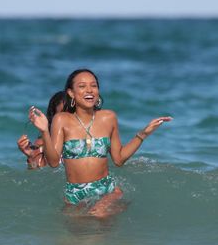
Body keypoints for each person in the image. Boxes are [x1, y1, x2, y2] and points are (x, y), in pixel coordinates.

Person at [29, 69, 172, 217]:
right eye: (82, 86)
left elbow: (119, 159)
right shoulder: (61, 120)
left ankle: (116, 206)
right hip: (74, 193)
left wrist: (144, 133)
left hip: (107, 190)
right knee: (75, 237)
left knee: (98, 214)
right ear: (71, 93)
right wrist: (45, 131)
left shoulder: (108, 118)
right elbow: (53, 162)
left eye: (94, 85)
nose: (89, 90)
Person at [17, 91, 65, 169]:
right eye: (63, 115)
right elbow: (35, 176)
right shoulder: (42, 144)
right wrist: (32, 157)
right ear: (53, 117)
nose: (69, 118)